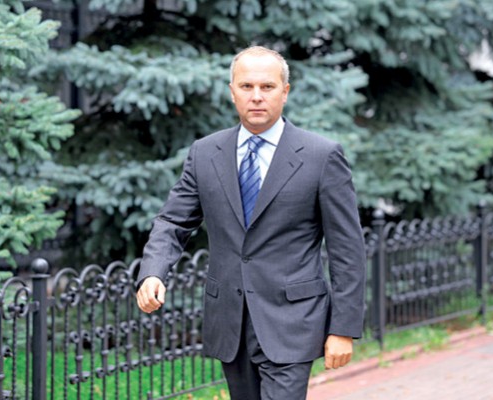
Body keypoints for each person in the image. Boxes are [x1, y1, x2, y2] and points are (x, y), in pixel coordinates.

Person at [136, 46, 366, 400]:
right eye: (246, 86)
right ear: (233, 92)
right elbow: (173, 221)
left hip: (293, 322)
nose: (256, 96)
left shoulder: (321, 156)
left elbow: (346, 248)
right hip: (230, 320)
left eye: (267, 87)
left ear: (285, 92)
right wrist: (153, 272)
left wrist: (343, 328)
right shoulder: (205, 153)